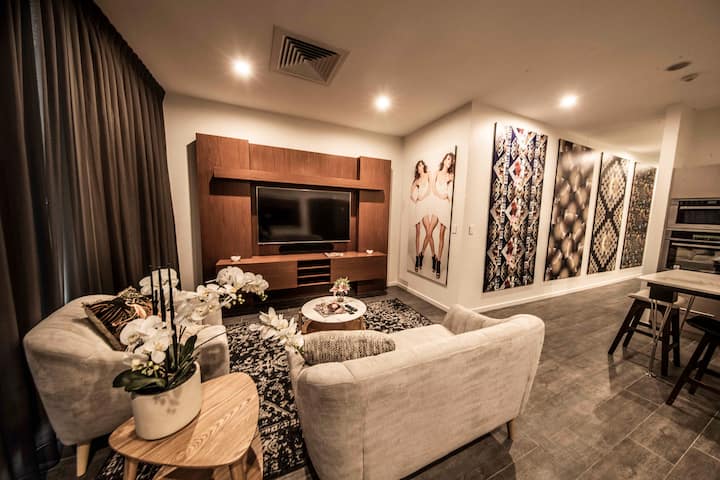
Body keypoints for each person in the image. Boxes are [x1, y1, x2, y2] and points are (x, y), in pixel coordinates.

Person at [429, 152, 455, 279]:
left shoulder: (451, 176)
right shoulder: (436, 173)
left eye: (451, 160)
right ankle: (434, 256)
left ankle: (438, 262)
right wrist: (441, 196)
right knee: (429, 231)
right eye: (448, 159)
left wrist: (448, 199)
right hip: (437, 204)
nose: (449, 161)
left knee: (441, 235)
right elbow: (433, 190)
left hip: (445, 205)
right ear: (444, 159)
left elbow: (451, 191)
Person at [409, 160, 430, 272]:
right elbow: (411, 193)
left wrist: (422, 197)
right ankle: (417, 257)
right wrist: (415, 199)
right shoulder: (416, 180)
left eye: (421, 165)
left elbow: (429, 190)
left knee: (428, 231)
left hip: (425, 205)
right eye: (418, 166)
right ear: (417, 169)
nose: (420, 167)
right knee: (418, 233)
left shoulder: (428, 175)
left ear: (423, 167)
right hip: (418, 206)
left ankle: (422, 253)